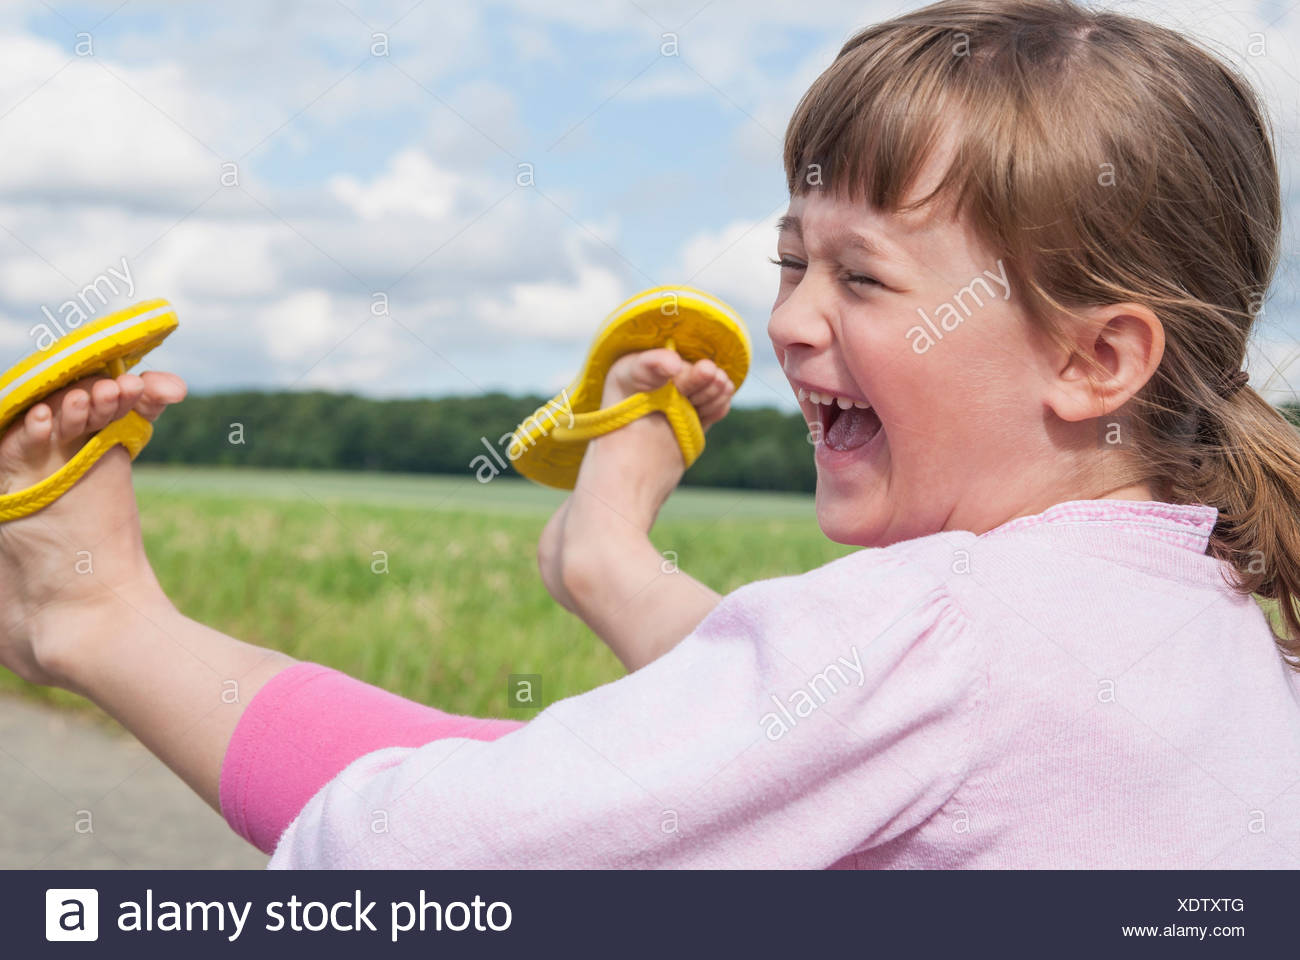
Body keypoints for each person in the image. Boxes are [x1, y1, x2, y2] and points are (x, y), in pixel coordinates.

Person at [2, 0, 1298, 868]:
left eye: (863, 278)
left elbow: (431, 859)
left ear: (1095, 357)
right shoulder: (1224, 617)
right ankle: (607, 554)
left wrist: (115, 619)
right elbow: (802, 729)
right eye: (791, 262)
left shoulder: (947, 637)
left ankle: (86, 615)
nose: (790, 322)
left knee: (544, 787)